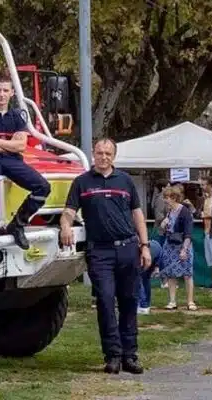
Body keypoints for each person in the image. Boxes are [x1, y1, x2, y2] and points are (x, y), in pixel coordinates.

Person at [59, 137, 151, 375]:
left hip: (128, 248)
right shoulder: (82, 182)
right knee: (106, 301)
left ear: (114, 156)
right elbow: (68, 211)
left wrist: (145, 245)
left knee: (130, 301)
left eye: (108, 154)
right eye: (99, 153)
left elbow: (137, 215)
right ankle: (112, 355)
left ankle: (130, 355)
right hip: (100, 252)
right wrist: (65, 226)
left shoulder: (125, 181)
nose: (103, 157)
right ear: (93, 154)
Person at [0, 75, 50, 248]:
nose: (1, 94)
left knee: (43, 187)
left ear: (12, 93)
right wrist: (9, 144)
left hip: (12, 161)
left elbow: (21, 146)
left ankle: (18, 224)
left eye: (5, 90)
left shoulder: (17, 117)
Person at [157, 185, 196, 311]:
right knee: (170, 274)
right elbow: (162, 231)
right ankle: (172, 301)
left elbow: (188, 232)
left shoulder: (184, 211)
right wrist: (163, 225)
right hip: (170, 245)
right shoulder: (169, 211)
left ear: (174, 198)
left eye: (167, 198)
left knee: (187, 274)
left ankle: (190, 301)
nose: (165, 200)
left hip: (183, 245)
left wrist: (184, 250)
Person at [136, 238, 162, 314]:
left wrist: (156, 267)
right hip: (155, 251)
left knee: (138, 280)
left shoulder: (139, 249)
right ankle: (146, 305)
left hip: (154, 255)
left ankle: (143, 306)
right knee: (144, 279)